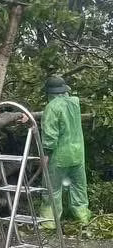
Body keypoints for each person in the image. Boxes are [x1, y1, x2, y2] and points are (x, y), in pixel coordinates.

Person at [39, 75, 91, 228]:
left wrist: (46, 154)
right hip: (77, 154)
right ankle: (83, 218)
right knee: (79, 187)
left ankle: (49, 223)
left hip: (59, 156)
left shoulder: (51, 108)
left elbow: (50, 135)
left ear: (49, 92)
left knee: (52, 189)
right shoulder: (75, 103)